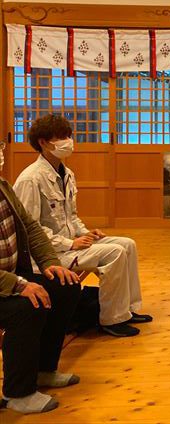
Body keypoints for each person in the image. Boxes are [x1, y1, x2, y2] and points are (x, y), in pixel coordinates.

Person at [13, 114, 151, 338]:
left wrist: (86, 233)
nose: (68, 141)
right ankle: (112, 319)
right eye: (61, 137)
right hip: (49, 255)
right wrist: (70, 243)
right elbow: (30, 229)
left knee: (128, 244)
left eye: (69, 136)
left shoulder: (67, 174)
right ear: (43, 142)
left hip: (72, 245)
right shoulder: (31, 178)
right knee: (114, 253)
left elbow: (71, 216)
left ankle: (128, 309)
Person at [0, 139, 82, 415]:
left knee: (65, 285)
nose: (1, 154)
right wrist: (19, 285)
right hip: (5, 284)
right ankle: (18, 392)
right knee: (27, 307)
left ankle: (44, 369)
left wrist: (49, 263)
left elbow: (31, 228)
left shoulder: (3, 187)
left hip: (13, 275)